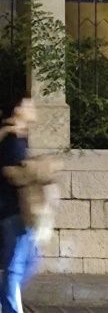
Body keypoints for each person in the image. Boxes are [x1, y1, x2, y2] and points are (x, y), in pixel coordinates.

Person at [0, 95, 39, 313]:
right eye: (28, 105)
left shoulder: (19, 136)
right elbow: (10, 171)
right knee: (15, 268)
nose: (33, 108)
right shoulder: (11, 137)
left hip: (19, 211)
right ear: (18, 109)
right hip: (13, 210)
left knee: (29, 261)